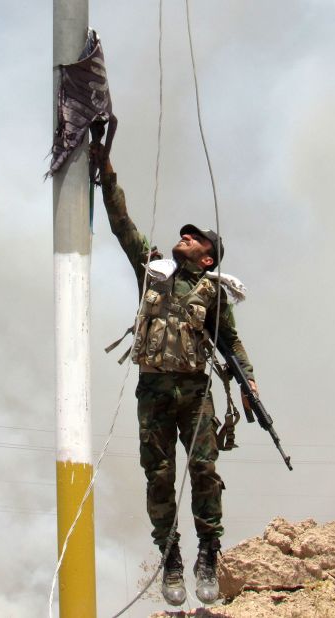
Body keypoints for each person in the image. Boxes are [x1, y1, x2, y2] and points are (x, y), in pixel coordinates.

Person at [92, 141, 257, 606]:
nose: (185, 236)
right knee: (158, 476)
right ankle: (170, 560)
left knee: (204, 469)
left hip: (195, 392)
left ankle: (209, 552)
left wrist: (250, 383)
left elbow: (231, 341)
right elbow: (122, 225)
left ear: (208, 257)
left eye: (196, 237)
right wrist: (107, 174)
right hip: (154, 392)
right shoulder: (153, 271)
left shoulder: (213, 290)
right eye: (186, 234)